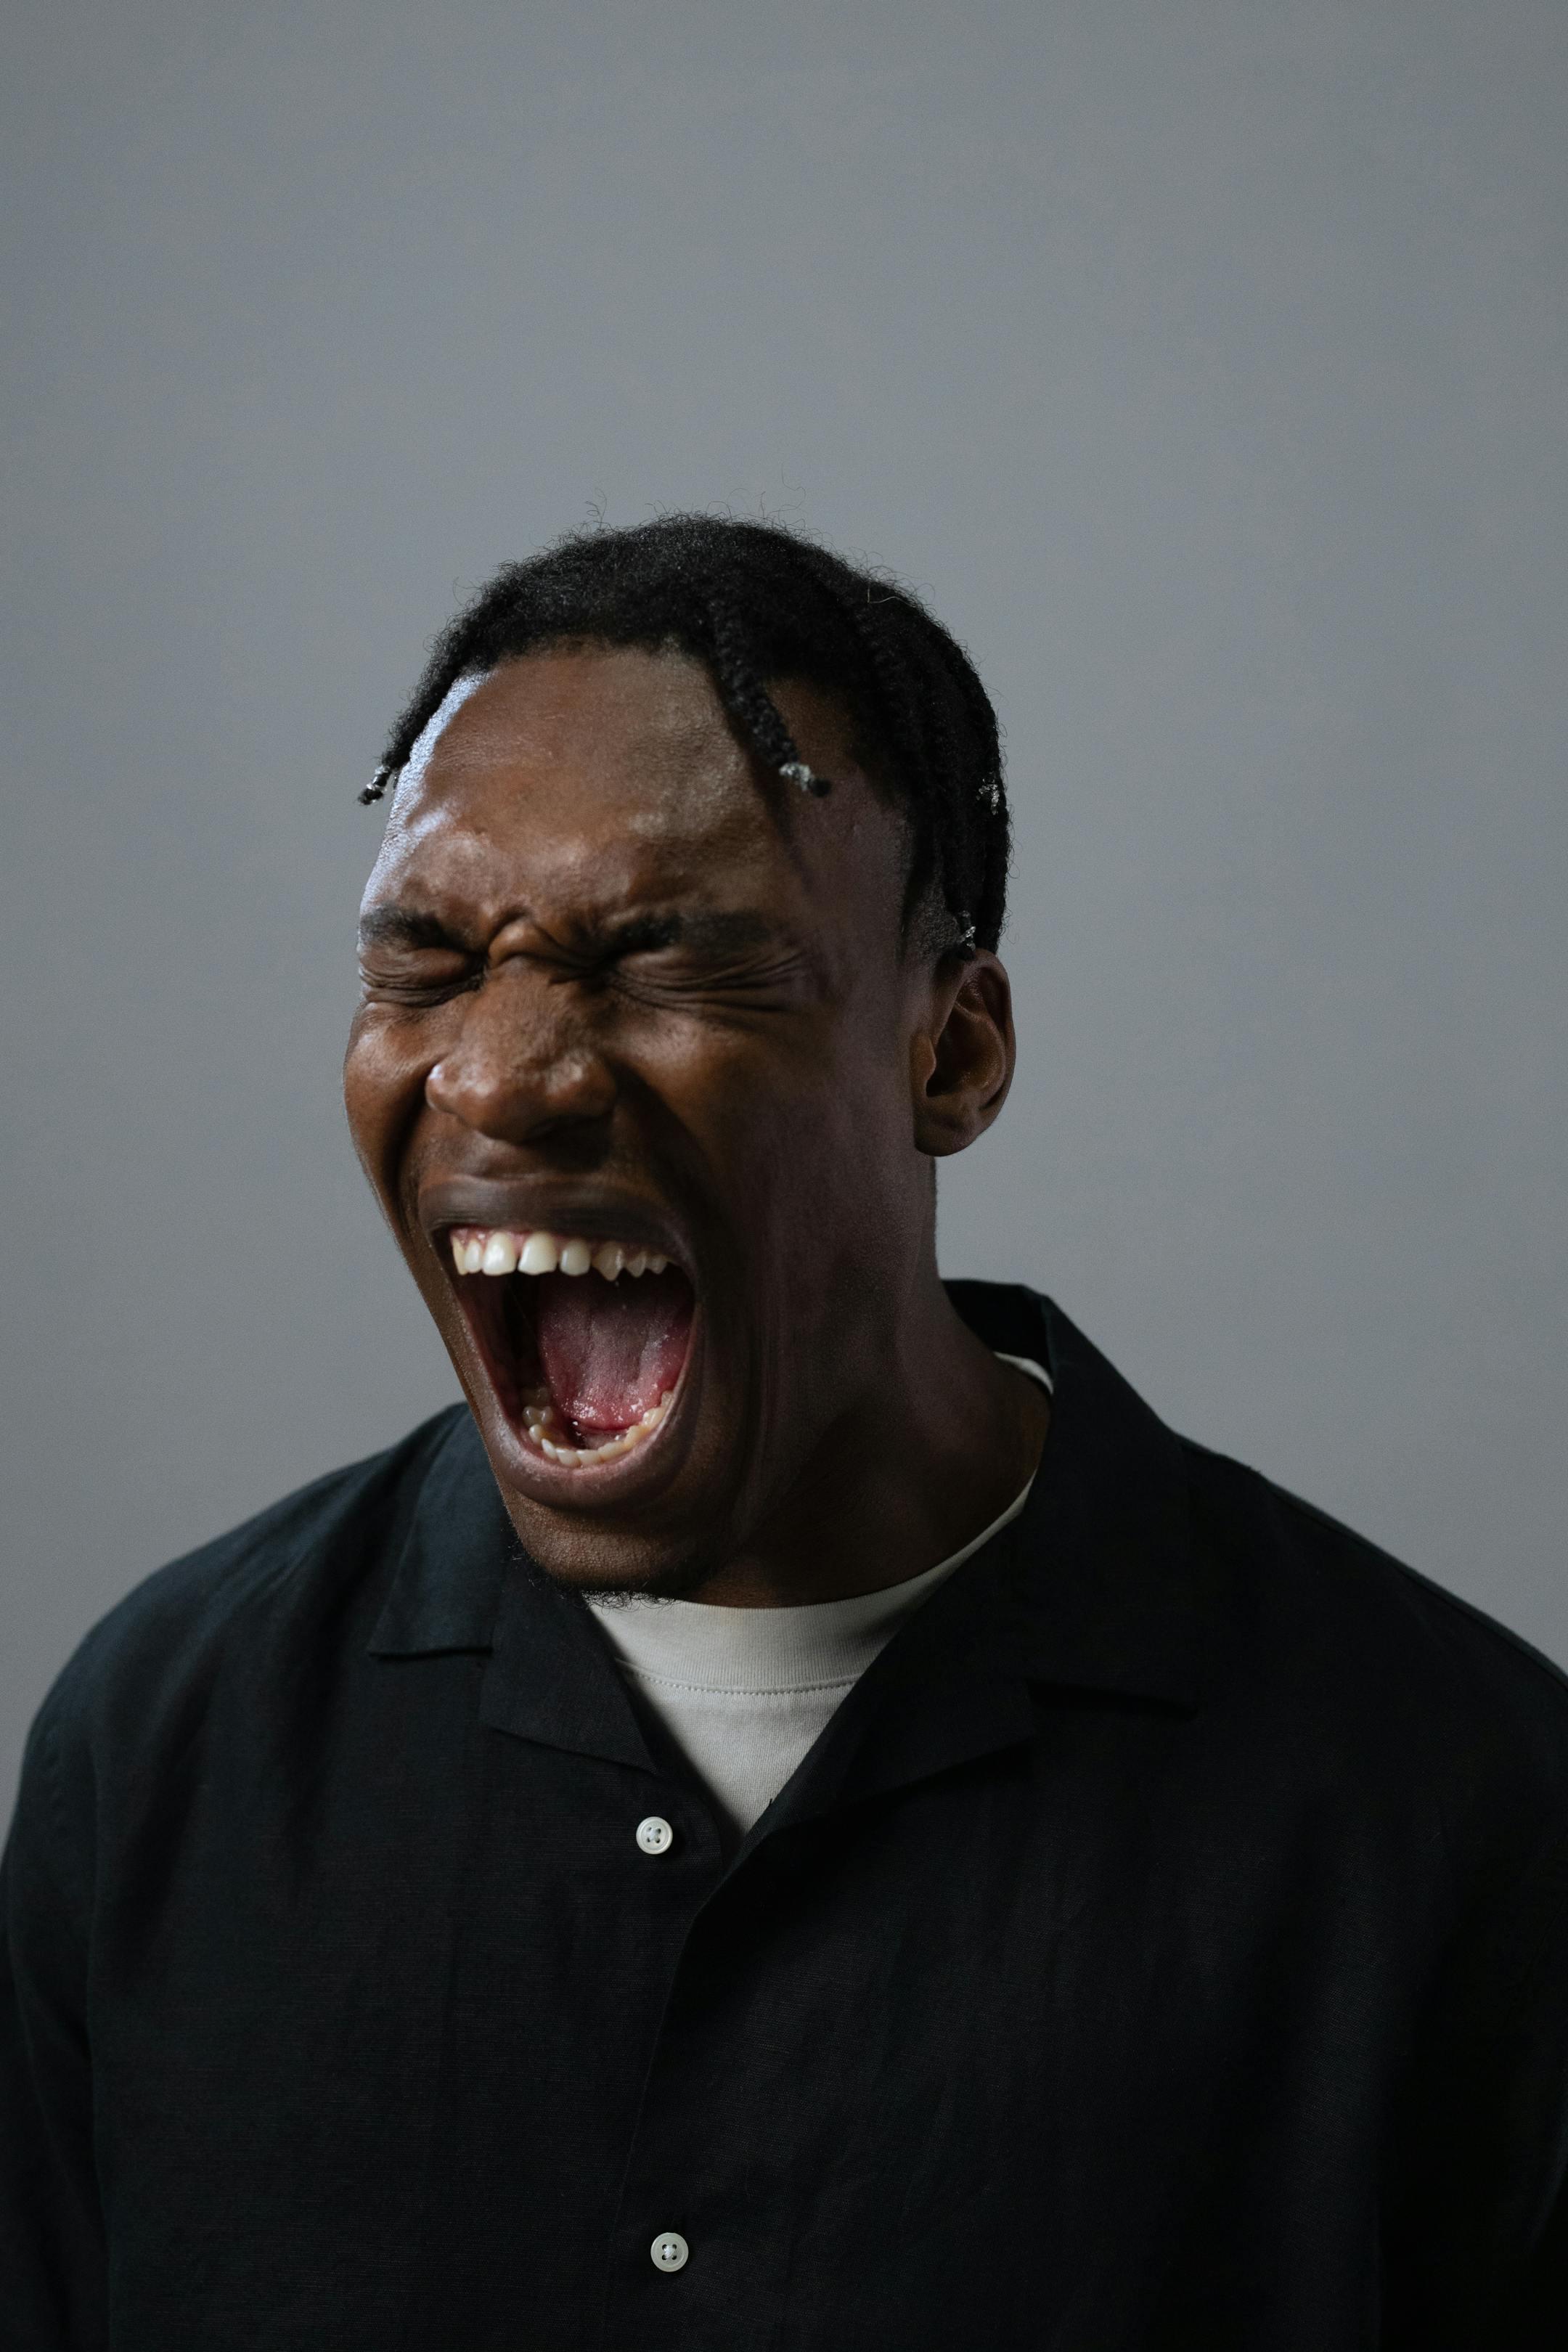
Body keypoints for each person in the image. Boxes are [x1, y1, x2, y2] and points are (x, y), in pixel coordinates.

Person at [3, 516, 1565, 2351]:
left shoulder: (1455, 1805)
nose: (500, 1071)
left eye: (675, 963)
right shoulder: (166, 1745)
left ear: (954, 1056)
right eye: (424, 965)